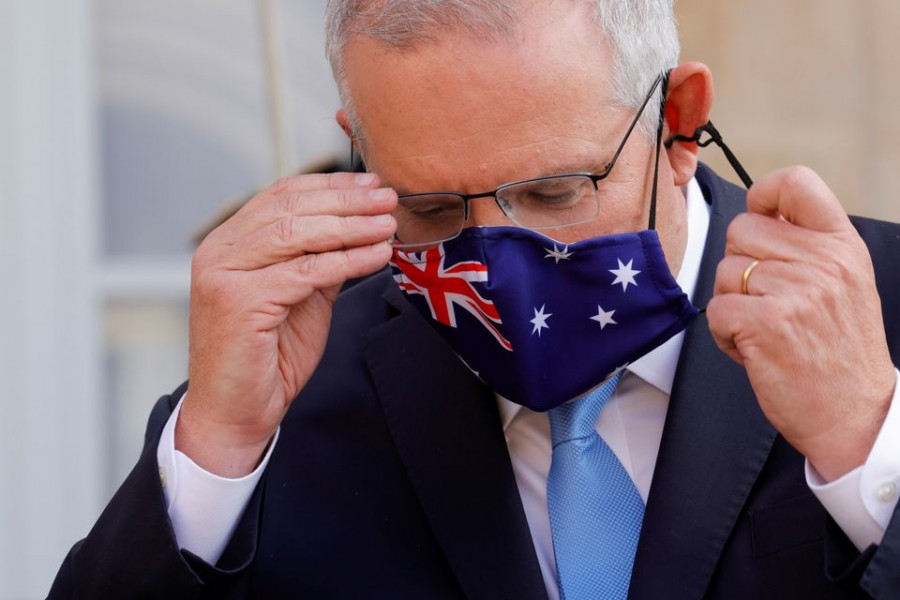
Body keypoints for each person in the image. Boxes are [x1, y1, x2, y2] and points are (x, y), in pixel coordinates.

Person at [50, 1, 900, 598]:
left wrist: (872, 461)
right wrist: (217, 448)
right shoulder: (291, 391)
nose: (499, 262)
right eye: (430, 208)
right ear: (362, 153)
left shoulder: (882, 309)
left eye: (557, 191)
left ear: (678, 122)